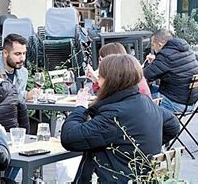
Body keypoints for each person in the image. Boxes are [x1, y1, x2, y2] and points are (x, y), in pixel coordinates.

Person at [61, 54, 180, 183]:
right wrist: (138, 145)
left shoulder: (114, 115)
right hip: (141, 177)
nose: (98, 82)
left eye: (100, 77)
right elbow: (173, 125)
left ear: (110, 81)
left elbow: (69, 138)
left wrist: (80, 108)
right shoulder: (144, 102)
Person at [144, 29, 198, 111]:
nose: (152, 48)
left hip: (176, 103)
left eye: (153, 45)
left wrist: (148, 64)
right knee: (151, 89)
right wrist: (156, 61)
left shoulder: (165, 56)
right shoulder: (186, 50)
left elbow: (145, 74)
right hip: (189, 101)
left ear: (159, 45)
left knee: (140, 101)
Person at [86, 43, 151, 97]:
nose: (100, 63)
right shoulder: (130, 72)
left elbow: (108, 97)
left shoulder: (125, 76)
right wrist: (95, 80)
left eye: (101, 59)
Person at [0, 33, 37, 102]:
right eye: (17, 54)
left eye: (24, 53)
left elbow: (18, 102)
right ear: (5, 53)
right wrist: (26, 95)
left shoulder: (23, 72)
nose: (22, 58)